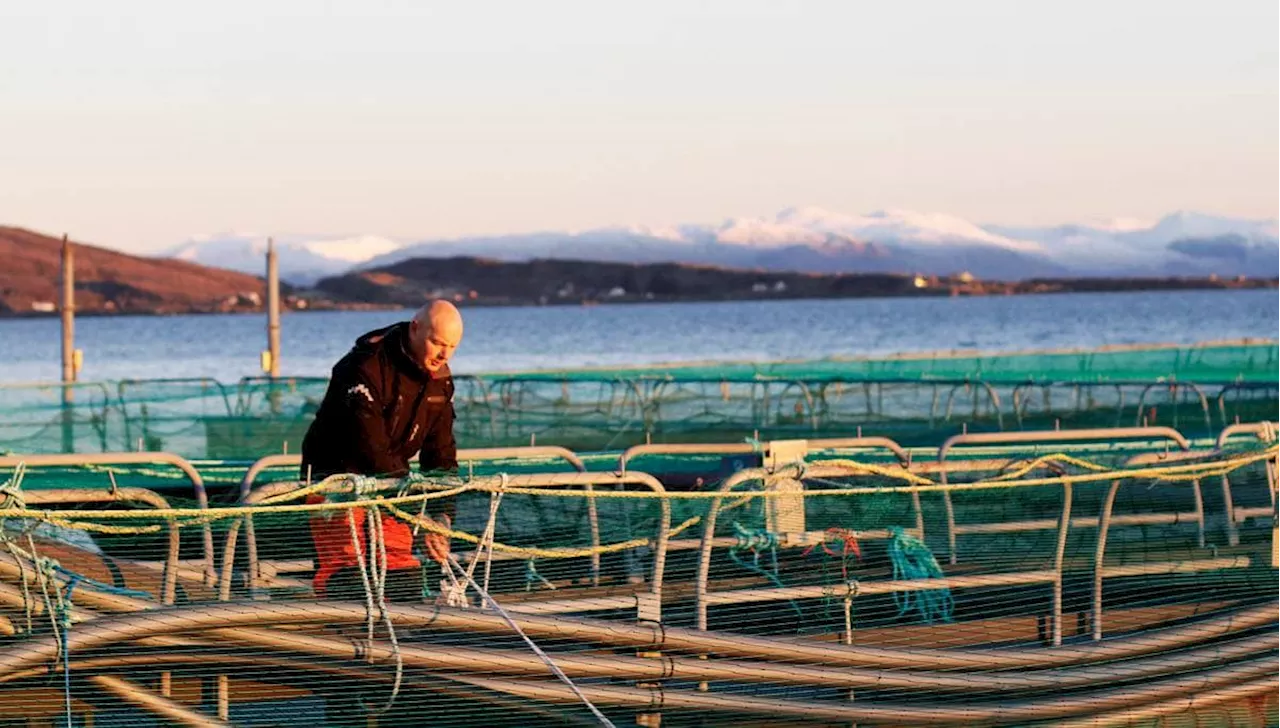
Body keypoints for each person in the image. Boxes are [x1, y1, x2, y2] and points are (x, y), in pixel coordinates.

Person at [300, 300, 464, 600]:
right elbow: (369, 446)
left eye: (452, 347)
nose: (444, 354)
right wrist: (418, 513)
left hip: (394, 485)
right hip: (337, 482)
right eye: (438, 343)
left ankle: (405, 640)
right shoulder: (363, 367)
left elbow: (441, 452)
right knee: (349, 574)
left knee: (404, 578)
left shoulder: (440, 381)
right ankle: (342, 642)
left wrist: (442, 517)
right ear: (415, 328)